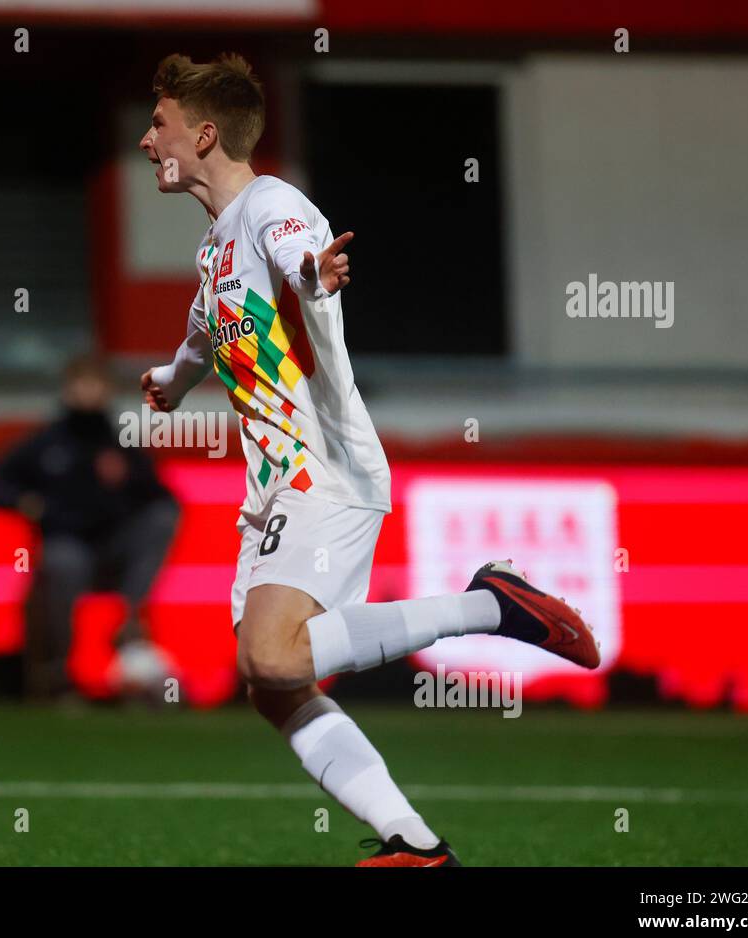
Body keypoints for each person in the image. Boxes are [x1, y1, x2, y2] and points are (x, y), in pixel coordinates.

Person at [138, 53, 599, 866]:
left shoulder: (274, 207)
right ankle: (415, 847)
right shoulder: (215, 252)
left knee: (274, 655)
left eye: (160, 125)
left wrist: (315, 277)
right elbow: (206, 335)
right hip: (276, 488)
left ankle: (491, 607)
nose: (148, 140)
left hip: (328, 470)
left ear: (204, 136)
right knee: (273, 689)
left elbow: (297, 259)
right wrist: (173, 382)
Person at [0, 355, 179, 702]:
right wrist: (27, 502)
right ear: (67, 390)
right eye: (82, 385)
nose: (89, 393)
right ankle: (59, 677)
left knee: (162, 517)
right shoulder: (46, 443)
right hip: (68, 544)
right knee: (62, 562)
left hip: (115, 548)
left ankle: (130, 624)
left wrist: (127, 482)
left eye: (97, 386)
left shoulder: (120, 443)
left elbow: (160, 496)